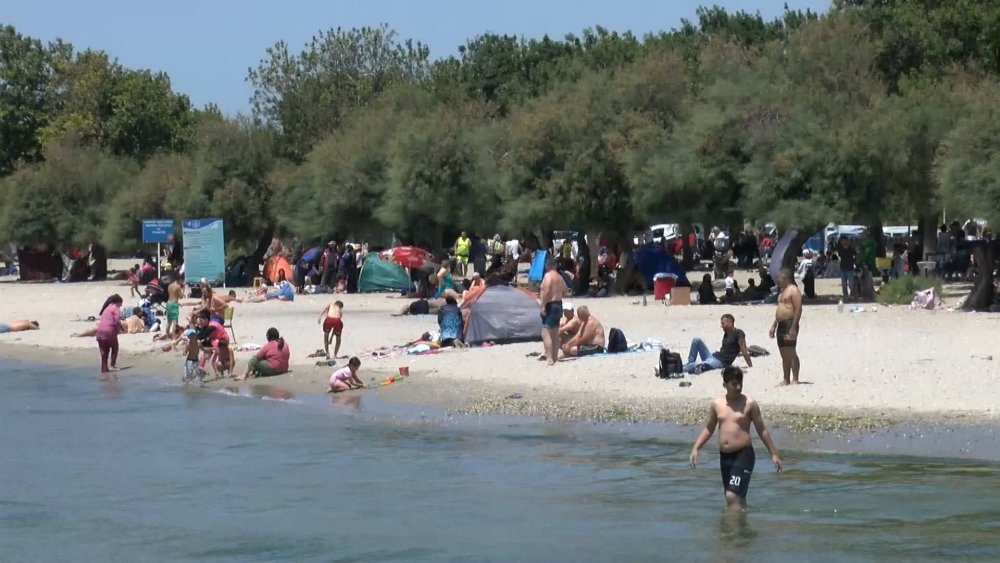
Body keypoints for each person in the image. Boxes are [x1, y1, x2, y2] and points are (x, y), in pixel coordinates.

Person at [689, 366, 783, 511]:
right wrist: (696, 448)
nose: (738, 387)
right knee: (735, 500)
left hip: (743, 454)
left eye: (740, 383)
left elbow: (762, 430)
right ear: (725, 385)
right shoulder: (716, 404)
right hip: (725, 457)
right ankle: (742, 530)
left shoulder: (750, 404)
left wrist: (774, 454)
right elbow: (709, 428)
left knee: (732, 496)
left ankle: (732, 533)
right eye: (734, 384)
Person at [682, 314, 752, 374]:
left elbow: (744, 351)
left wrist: (750, 365)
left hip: (721, 362)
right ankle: (689, 362)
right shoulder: (726, 333)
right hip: (712, 356)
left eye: (723, 323)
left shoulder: (739, 333)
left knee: (696, 366)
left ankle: (680, 369)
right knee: (696, 340)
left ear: (730, 323)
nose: (721, 326)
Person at [770, 268, 802, 386]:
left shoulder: (793, 290)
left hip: (789, 323)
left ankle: (795, 378)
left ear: (785, 278)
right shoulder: (782, 291)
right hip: (781, 324)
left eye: (779, 278)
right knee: (783, 353)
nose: (777, 280)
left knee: (791, 351)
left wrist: (794, 326)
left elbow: (798, 309)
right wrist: (773, 326)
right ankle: (786, 379)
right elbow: (780, 310)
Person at [539, 259, 567, 365]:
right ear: (555, 266)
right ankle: (555, 357)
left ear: (546, 266)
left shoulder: (547, 276)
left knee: (545, 333)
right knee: (555, 332)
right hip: (558, 304)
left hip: (550, 304)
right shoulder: (560, 277)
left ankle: (549, 358)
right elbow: (565, 292)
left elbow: (546, 291)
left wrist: (543, 306)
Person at [96, 294, 123, 375]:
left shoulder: (106, 308)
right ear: (118, 302)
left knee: (104, 354)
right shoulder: (116, 308)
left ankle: (104, 371)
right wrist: (117, 331)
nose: (120, 306)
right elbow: (116, 321)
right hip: (109, 332)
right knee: (115, 348)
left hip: (100, 333)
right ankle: (113, 365)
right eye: (121, 304)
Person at [838, 236, 856, 300]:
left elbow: (856, 255)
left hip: (850, 268)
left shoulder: (851, 249)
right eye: (843, 241)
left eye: (845, 241)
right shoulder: (840, 249)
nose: (844, 242)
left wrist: (854, 262)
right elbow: (840, 255)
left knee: (851, 283)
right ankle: (845, 295)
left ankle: (852, 294)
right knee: (844, 283)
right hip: (843, 268)